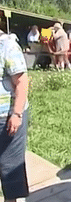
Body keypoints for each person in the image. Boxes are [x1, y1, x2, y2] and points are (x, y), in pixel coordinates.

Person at [0, 30, 29, 202]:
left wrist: (16, 114)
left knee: (10, 166)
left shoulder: (7, 46)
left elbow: (21, 82)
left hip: (7, 116)